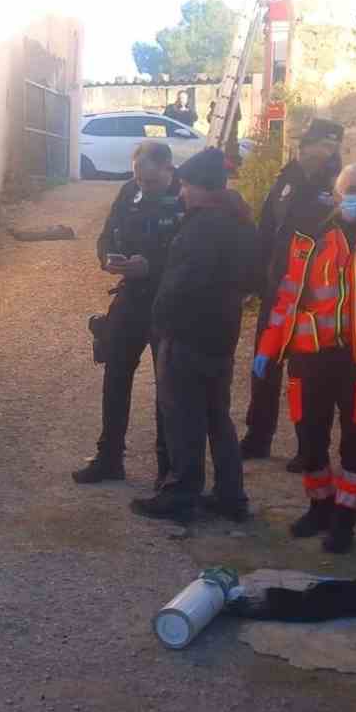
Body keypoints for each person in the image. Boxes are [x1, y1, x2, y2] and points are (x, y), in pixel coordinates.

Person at [254, 162, 356, 553]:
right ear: (338, 193)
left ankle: (345, 519)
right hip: (311, 356)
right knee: (309, 439)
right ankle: (320, 506)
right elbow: (287, 300)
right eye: (353, 189)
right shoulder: (309, 239)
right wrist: (267, 348)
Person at [130, 148, 259, 522]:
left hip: (188, 335)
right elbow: (251, 277)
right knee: (218, 416)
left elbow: (183, 284)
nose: (181, 192)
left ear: (202, 187)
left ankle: (181, 494)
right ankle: (231, 496)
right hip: (222, 335)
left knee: (183, 417)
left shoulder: (203, 226)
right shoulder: (239, 220)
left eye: (186, 185)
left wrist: (162, 320)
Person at [74, 141, 182, 486]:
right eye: (138, 179)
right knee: (116, 374)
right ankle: (109, 458)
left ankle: (168, 467)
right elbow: (106, 235)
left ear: (169, 169)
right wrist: (107, 257)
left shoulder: (187, 197)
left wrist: (151, 267)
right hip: (132, 297)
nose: (143, 186)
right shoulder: (129, 191)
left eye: (150, 181)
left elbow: (192, 257)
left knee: (168, 385)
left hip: (168, 302)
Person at [242, 118, 345, 467]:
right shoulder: (286, 180)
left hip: (312, 296)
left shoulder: (337, 187)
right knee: (264, 366)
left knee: (308, 375)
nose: (330, 152)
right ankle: (258, 437)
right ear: (307, 146)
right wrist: (255, 281)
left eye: (335, 145)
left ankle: (309, 448)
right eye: (325, 145)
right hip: (278, 290)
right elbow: (266, 232)